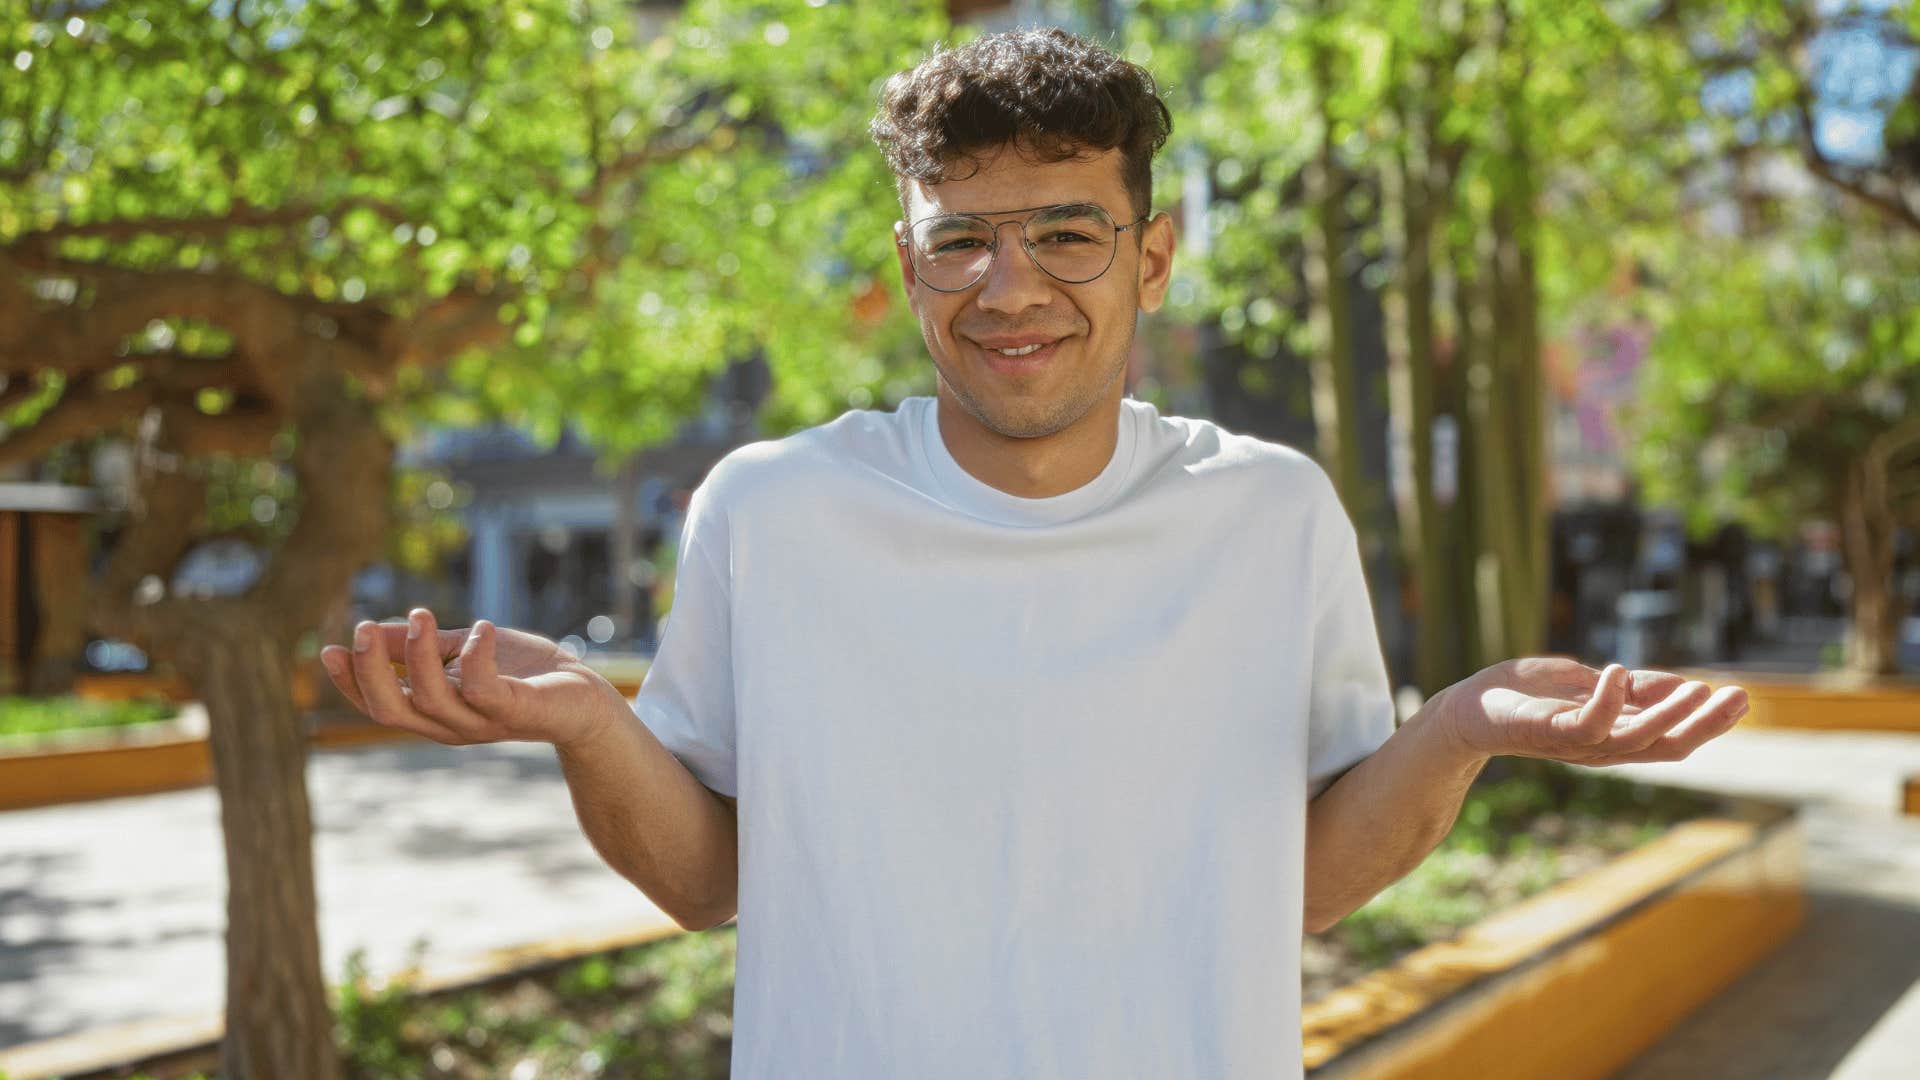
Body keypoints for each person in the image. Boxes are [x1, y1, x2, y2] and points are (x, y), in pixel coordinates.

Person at [320, 27, 1749, 1080]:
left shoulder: (1274, 511)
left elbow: (1298, 884)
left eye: (1068, 233)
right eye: (965, 243)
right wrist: (583, 721)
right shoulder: (769, 508)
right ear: (908, 266)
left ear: (1154, 254)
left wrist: (1457, 728)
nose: (1013, 290)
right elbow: (706, 882)